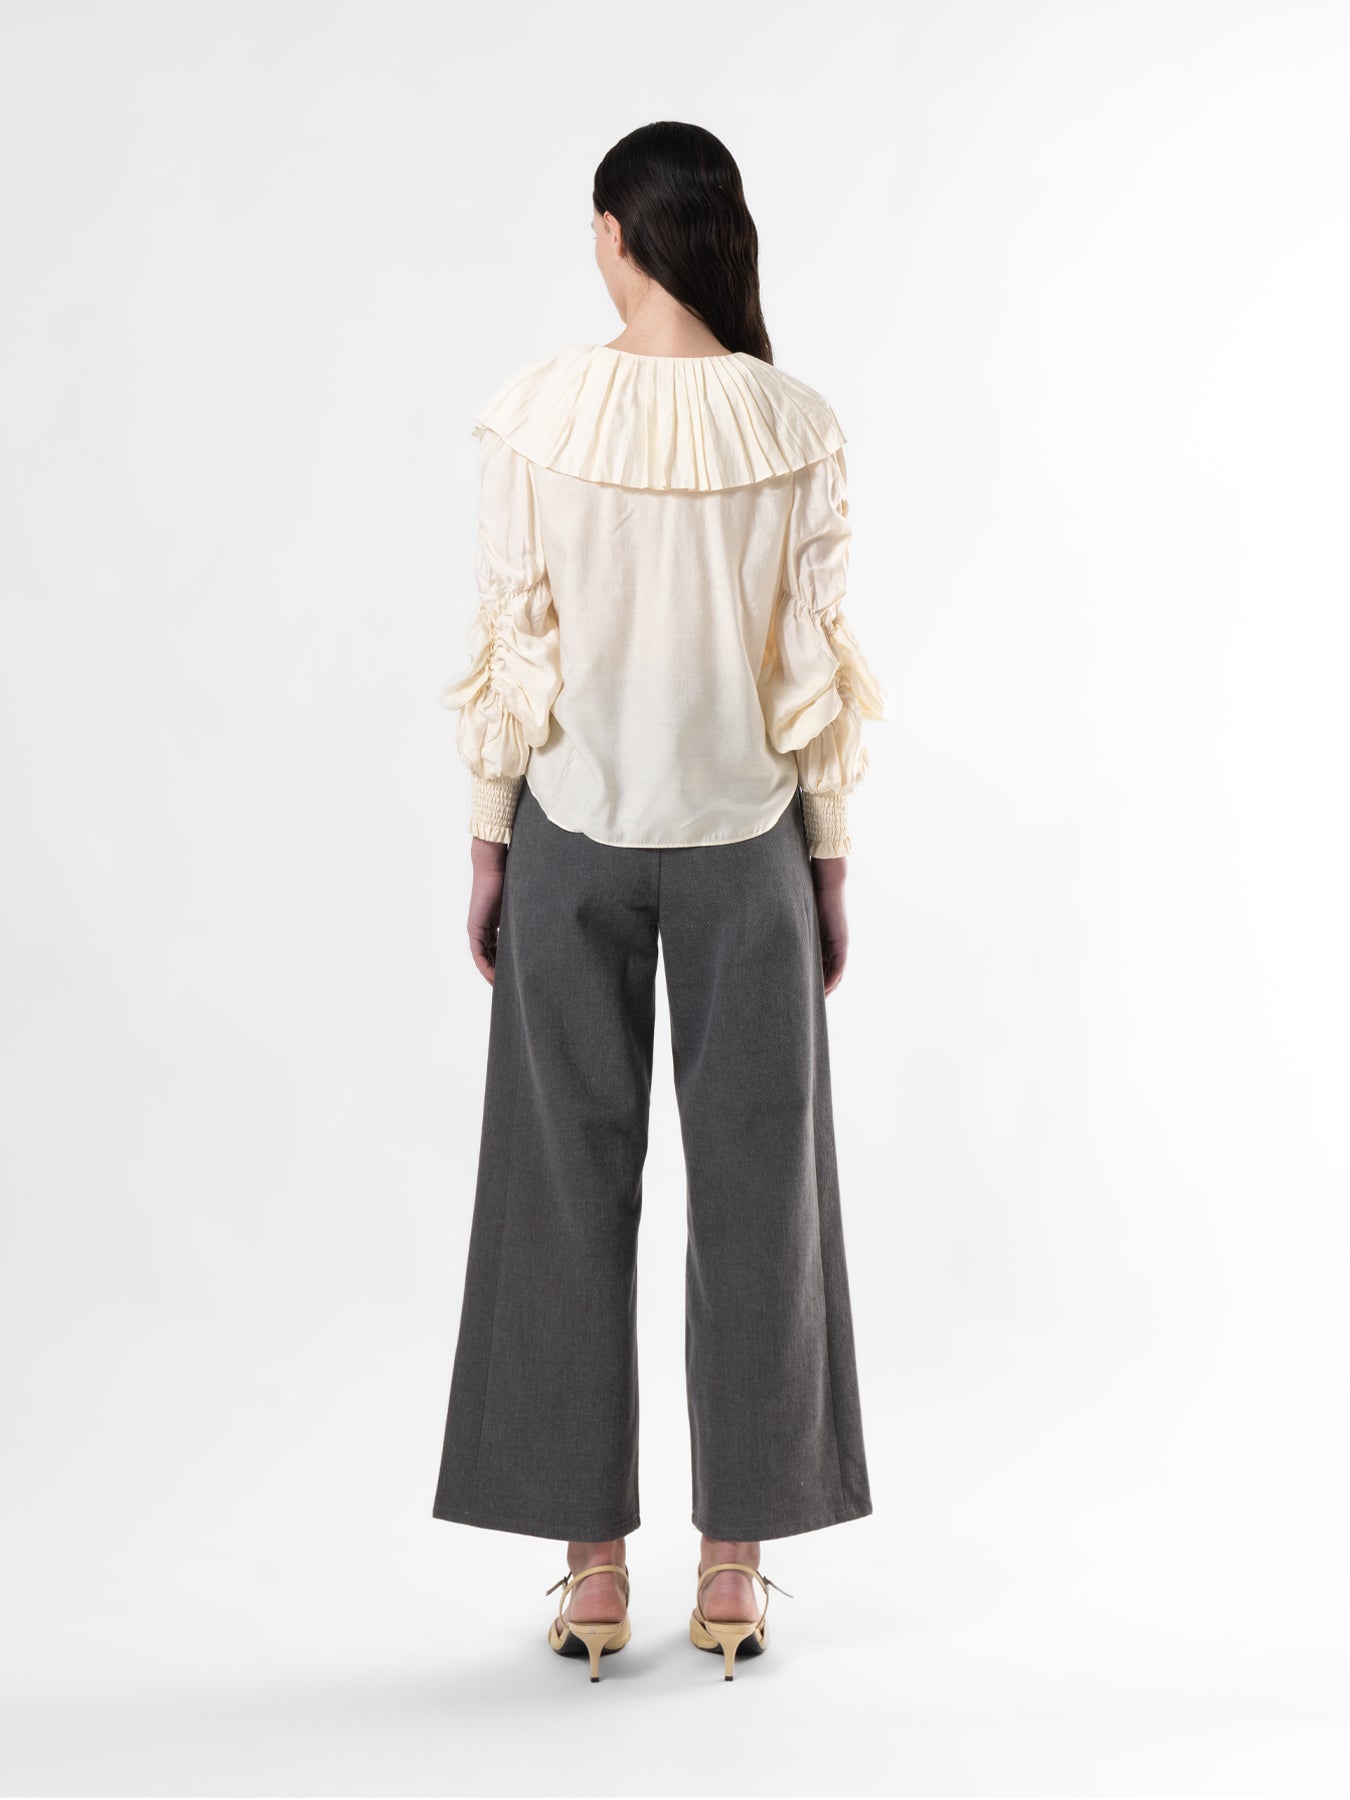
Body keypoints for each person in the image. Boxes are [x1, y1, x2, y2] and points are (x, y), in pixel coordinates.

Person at [430, 121, 886, 1682]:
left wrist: (487, 838)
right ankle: (735, 1572)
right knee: (761, 1192)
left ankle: (593, 1572)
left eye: (596, 227)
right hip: (748, 842)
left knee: (559, 1185)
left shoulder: (537, 412)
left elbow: (513, 636)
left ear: (618, 235)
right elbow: (812, 665)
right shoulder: (795, 421)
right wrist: (828, 858)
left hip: (569, 832)